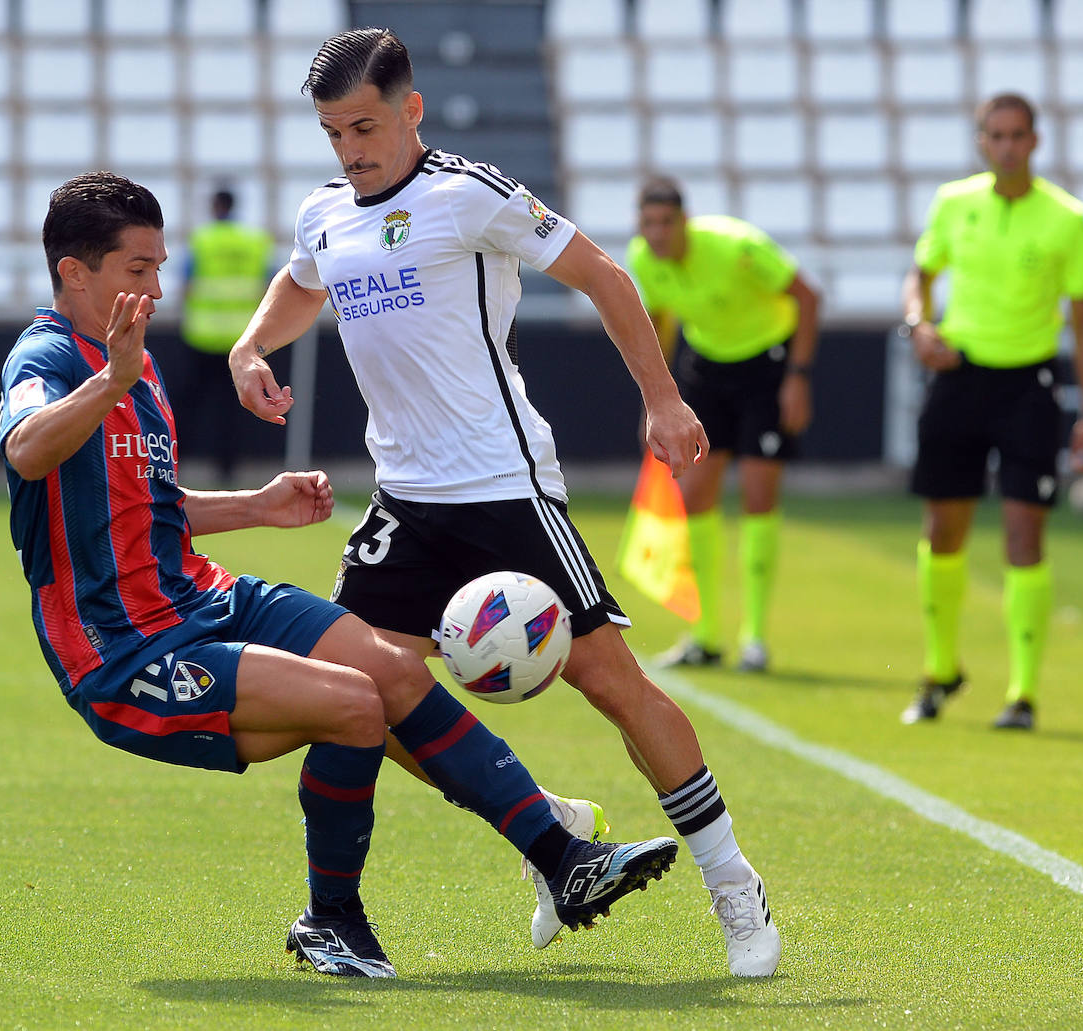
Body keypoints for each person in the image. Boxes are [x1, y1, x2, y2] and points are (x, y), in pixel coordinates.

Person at [0, 171, 679, 980]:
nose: (153, 286)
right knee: (355, 704)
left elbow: (144, 505)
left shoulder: (134, 362)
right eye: (135, 270)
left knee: (389, 668)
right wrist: (111, 376)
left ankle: (561, 856)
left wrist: (256, 504)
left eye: (156, 267)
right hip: (121, 647)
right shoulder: (51, 356)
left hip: (202, 597)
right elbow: (26, 450)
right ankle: (332, 920)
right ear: (75, 273)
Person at [228, 28, 781, 978]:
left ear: (411, 109)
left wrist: (662, 397)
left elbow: (604, 274)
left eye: (363, 125)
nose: (350, 149)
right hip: (402, 501)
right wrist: (250, 348)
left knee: (611, 683)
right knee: (360, 697)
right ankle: (544, 825)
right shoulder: (325, 213)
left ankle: (733, 883)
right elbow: (298, 280)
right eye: (331, 132)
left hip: (503, 490)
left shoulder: (467, 194)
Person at [899, 93, 1083, 731]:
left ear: (1035, 142)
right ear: (982, 141)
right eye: (997, 135)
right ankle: (939, 672)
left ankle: (1022, 694)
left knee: (1024, 534)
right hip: (960, 377)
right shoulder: (954, 202)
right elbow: (920, 273)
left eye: (1018, 135)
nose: (1008, 145)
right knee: (944, 532)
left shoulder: (1066, 218)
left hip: (1029, 387)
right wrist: (918, 325)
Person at [626, 177, 821, 674]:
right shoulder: (644, 261)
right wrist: (657, 397)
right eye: (648, 224)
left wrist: (797, 378)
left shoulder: (738, 247)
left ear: (684, 221)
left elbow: (808, 297)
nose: (657, 234)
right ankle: (706, 634)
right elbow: (661, 322)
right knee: (695, 498)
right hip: (707, 369)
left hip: (766, 366)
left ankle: (754, 637)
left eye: (666, 222)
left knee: (758, 495)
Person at [179, 188, 273, 483]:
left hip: (202, 336)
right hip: (241, 339)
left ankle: (175, 464)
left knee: (189, 406)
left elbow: (187, 285)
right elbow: (270, 286)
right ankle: (227, 471)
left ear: (214, 206)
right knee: (232, 409)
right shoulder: (255, 241)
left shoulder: (201, 240)